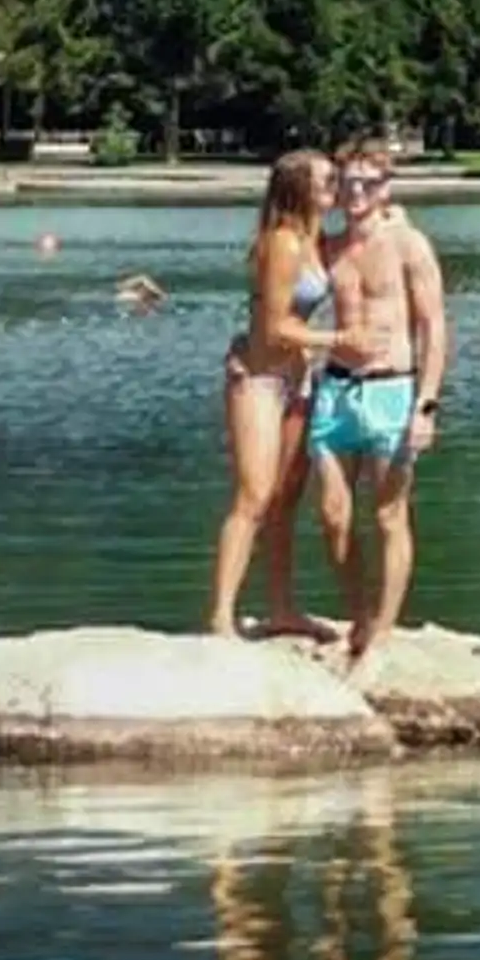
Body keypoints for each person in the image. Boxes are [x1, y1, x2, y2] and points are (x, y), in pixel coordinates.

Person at [307, 152, 448, 669]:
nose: (357, 192)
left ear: (386, 188)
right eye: (347, 183)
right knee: (332, 515)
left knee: (389, 515)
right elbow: (278, 287)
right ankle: (359, 617)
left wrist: (426, 405)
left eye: (368, 183)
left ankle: (383, 633)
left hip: (393, 389)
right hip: (337, 390)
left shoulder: (409, 245)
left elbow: (433, 327)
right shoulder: (330, 247)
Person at [208, 148, 343, 640]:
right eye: (328, 179)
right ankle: (222, 615)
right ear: (300, 187)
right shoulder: (282, 243)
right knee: (254, 496)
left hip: (298, 379)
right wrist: (339, 340)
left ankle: (282, 609)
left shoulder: (315, 238)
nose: (337, 185)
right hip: (259, 379)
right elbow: (273, 328)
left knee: (287, 498)